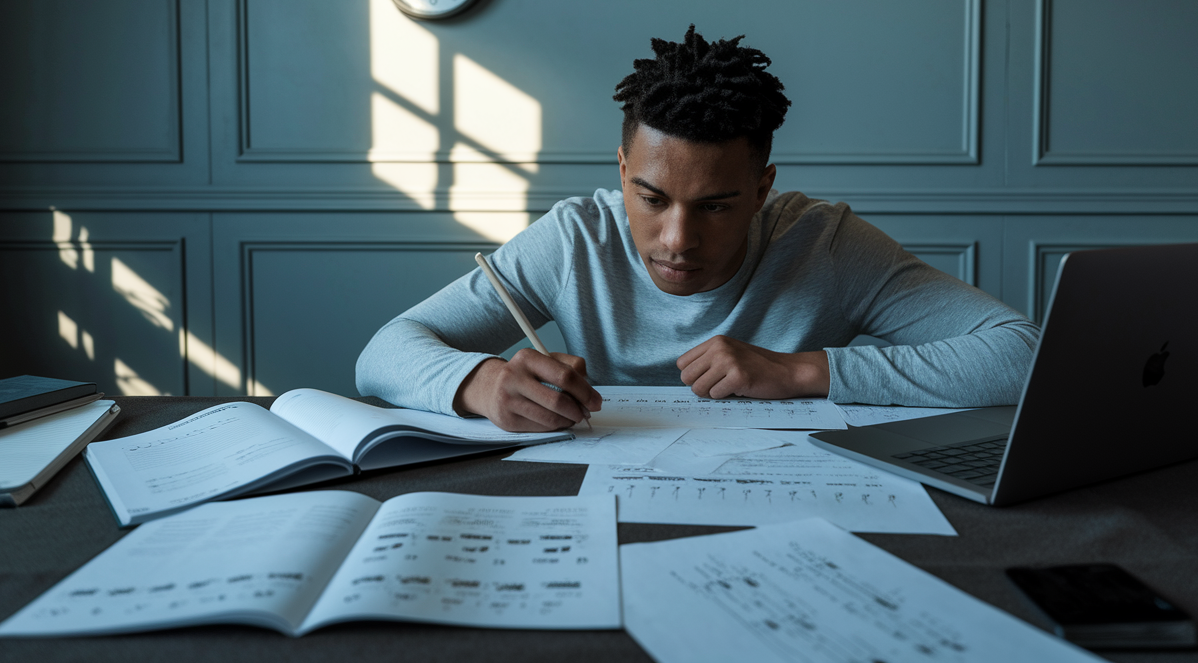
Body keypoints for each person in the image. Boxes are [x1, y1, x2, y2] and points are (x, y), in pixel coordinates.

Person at [356, 26, 1040, 431]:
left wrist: (804, 371)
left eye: (715, 206)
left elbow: (1023, 355)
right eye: (651, 198)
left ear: (763, 189)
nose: (678, 240)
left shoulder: (824, 244)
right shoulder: (575, 240)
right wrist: (480, 384)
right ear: (623, 171)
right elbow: (383, 352)